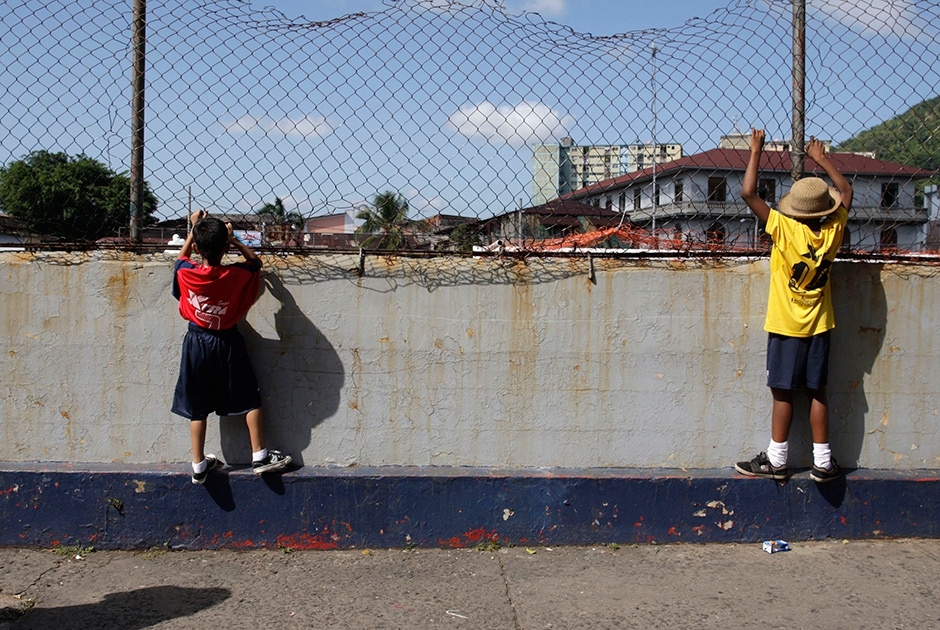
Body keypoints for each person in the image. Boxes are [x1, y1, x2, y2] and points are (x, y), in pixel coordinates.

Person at [735, 129, 852, 483]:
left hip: (787, 325)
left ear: (795, 209)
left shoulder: (784, 228)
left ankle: (777, 458)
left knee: (782, 391)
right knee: (817, 390)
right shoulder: (833, 229)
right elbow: (845, 191)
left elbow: (748, 193)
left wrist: (755, 151)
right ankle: (823, 461)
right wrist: (822, 159)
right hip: (820, 324)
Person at [171, 209, 292, 484]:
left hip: (195, 341)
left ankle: (199, 464)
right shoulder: (234, 275)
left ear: (198, 246)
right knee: (249, 396)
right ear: (225, 246)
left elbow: (181, 259)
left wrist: (194, 229)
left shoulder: (186, 273)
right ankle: (259, 455)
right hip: (227, 340)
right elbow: (255, 263)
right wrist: (234, 240)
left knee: (197, 406)